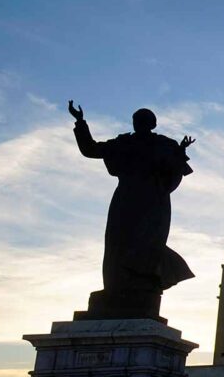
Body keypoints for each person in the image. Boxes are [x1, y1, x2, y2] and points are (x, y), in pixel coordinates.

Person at [68, 101, 195, 317]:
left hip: (154, 202)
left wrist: (180, 152)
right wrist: (80, 122)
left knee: (149, 244)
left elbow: (176, 170)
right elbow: (90, 149)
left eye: (143, 121)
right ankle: (115, 288)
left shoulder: (165, 144)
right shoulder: (123, 143)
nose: (139, 124)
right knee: (117, 243)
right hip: (126, 199)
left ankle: (145, 285)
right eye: (137, 120)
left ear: (152, 124)